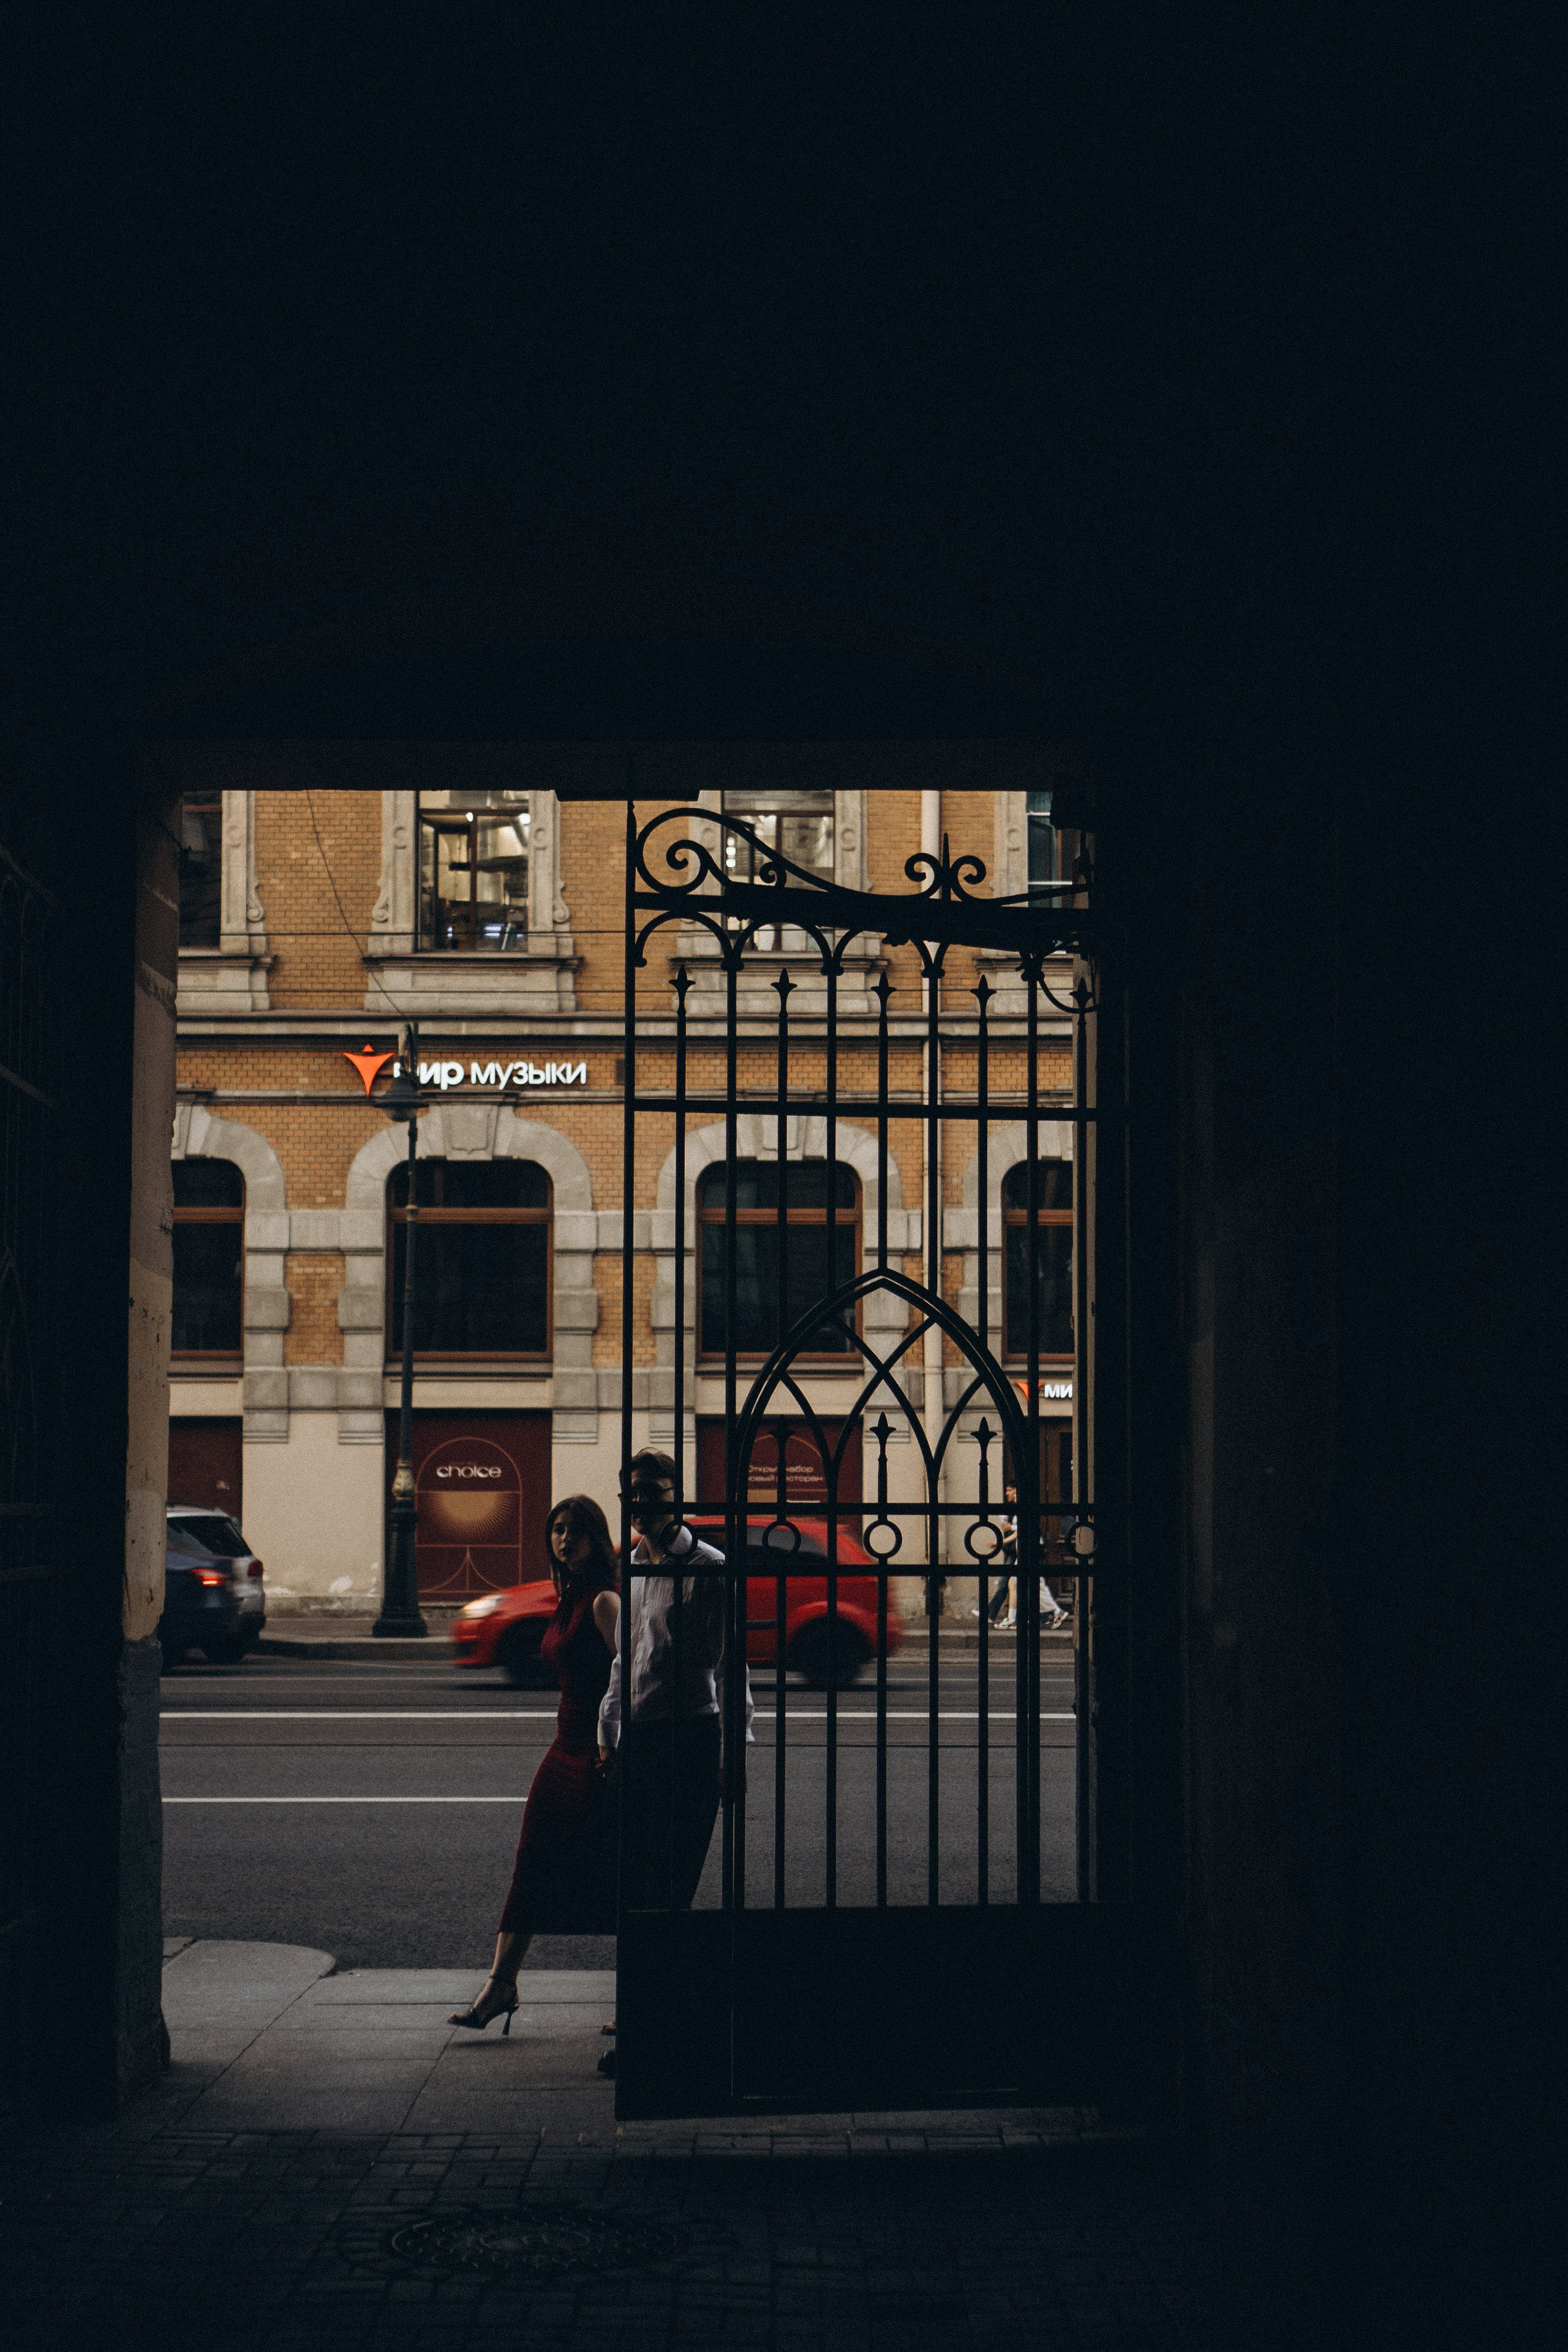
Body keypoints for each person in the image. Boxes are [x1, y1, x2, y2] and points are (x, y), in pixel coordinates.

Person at [448, 1495, 620, 2034]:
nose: (565, 1540)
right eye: (558, 1530)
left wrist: (611, 1742)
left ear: (597, 1537)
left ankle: (636, 1997)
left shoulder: (604, 1603)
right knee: (532, 1860)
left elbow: (635, 1682)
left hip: (596, 1753)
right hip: (563, 1746)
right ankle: (502, 1984)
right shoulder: (568, 1595)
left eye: (577, 1531)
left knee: (616, 1877)